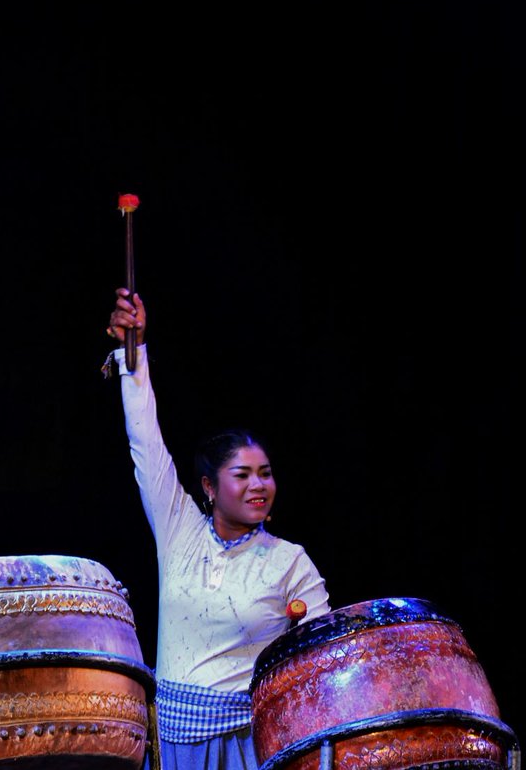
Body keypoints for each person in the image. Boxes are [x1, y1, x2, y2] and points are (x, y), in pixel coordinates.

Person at [107, 287, 329, 770]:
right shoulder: (180, 533)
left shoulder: (289, 561)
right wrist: (132, 353)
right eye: (243, 475)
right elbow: (145, 441)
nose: (259, 485)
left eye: (265, 474)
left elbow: (319, 660)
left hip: (250, 745)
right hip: (174, 743)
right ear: (209, 487)